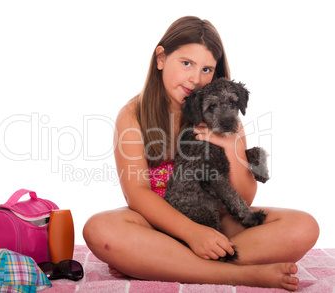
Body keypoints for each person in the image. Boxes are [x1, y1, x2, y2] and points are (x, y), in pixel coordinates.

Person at [83, 16, 319, 291]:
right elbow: (136, 193)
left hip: (216, 221)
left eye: (207, 69)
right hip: (157, 225)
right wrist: (191, 233)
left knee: (304, 226)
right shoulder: (132, 114)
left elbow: (243, 198)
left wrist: (233, 148)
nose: (195, 79)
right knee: (99, 229)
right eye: (186, 64)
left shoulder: (223, 115)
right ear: (160, 58)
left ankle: (160, 263)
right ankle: (236, 274)